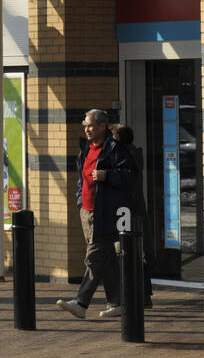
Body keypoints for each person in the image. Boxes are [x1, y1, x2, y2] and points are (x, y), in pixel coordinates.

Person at [57, 109, 137, 320]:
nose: (87, 129)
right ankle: (117, 303)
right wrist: (80, 201)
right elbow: (81, 179)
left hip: (105, 212)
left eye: (91, 125)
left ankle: (81, 303)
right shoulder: (86, 149)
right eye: (85, 125)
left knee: (93, 257)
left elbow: (131, 177)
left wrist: (107, 175)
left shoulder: (115, 149)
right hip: (87, 211)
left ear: (102, 126)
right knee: (106, 257)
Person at [112, 125, 154, 309]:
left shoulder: (124, 158)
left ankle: (134, 295)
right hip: (135, 210)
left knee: (127, 252)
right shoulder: (135, 154)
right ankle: (143, 295)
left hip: (126, 210)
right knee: (138, 253)